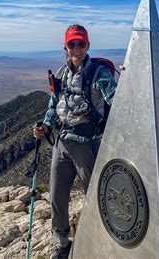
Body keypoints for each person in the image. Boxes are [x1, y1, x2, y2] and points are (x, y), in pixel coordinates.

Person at [33, 24, 116, 259]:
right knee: (57, 195)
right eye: (72, 44)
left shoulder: (99, 73)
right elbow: (53, 106)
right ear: (65, 47)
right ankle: (62, 242)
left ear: (88, 45)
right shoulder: (60, 74)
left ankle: (104, 239)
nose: (77, 48)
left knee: (95, 195)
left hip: (87, 145)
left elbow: (116, 100)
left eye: (81, 43)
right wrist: (46, 127)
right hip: (63, 143)